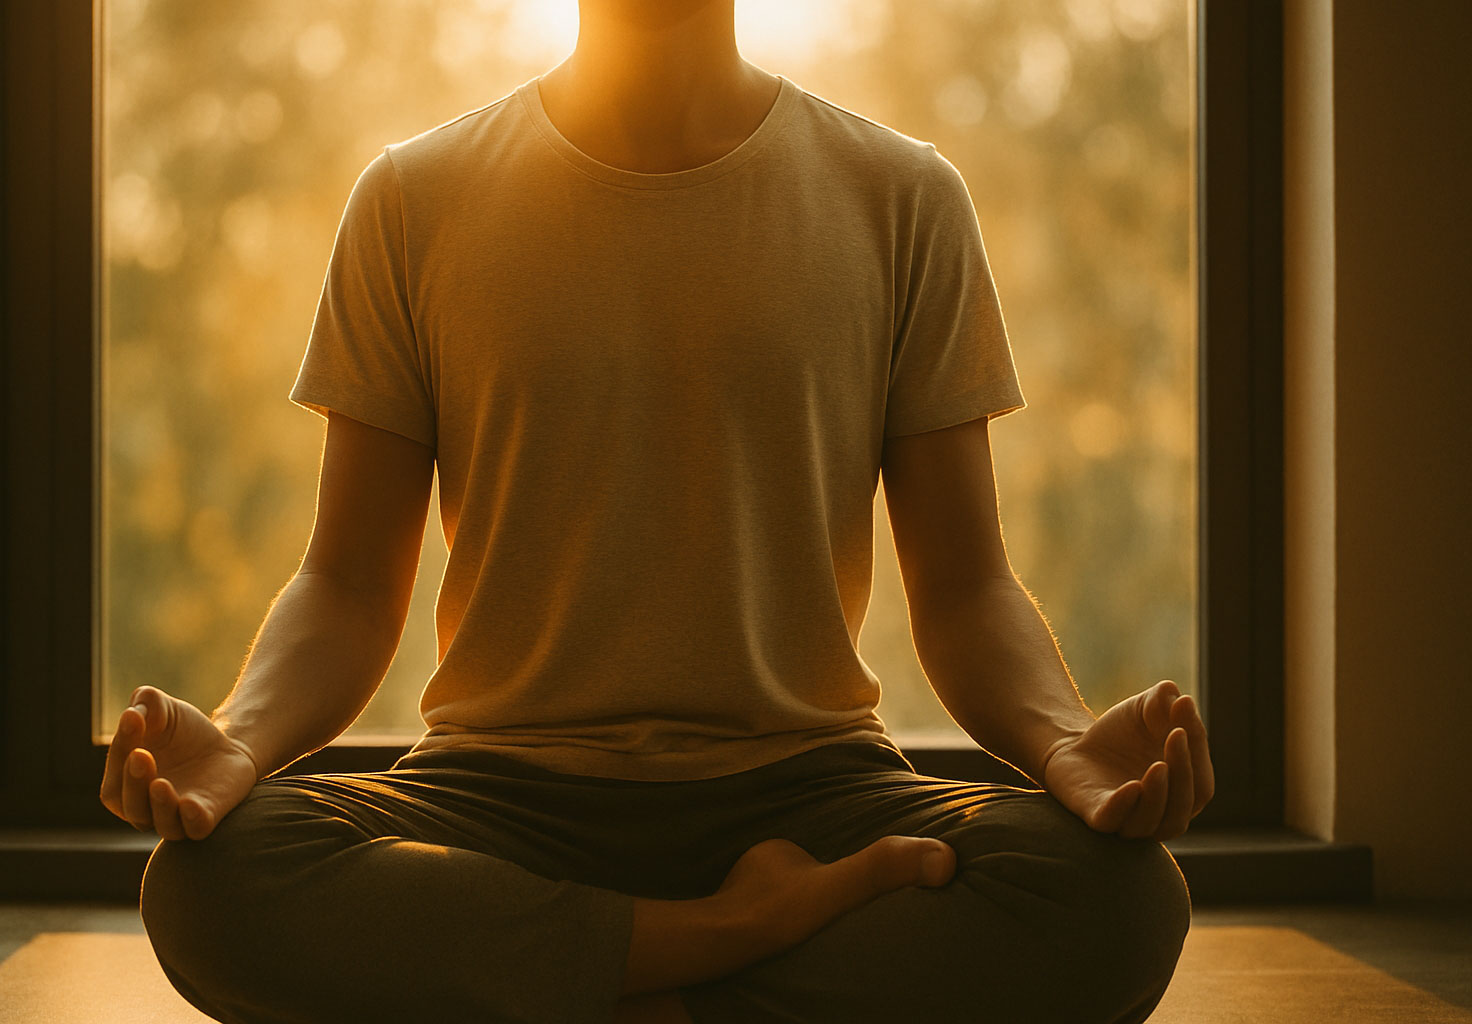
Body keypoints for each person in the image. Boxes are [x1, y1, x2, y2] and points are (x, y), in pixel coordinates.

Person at [101, 2, 1215, 1021]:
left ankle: (590, 978)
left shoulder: (903, 196)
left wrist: (1065, 744)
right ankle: (735, 938)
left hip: (810, 785)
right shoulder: (411, 198)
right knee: (217, 883)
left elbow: (968, 589)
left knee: (1114, 899)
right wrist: (241, 742)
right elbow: (346, 585)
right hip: (500, 791)